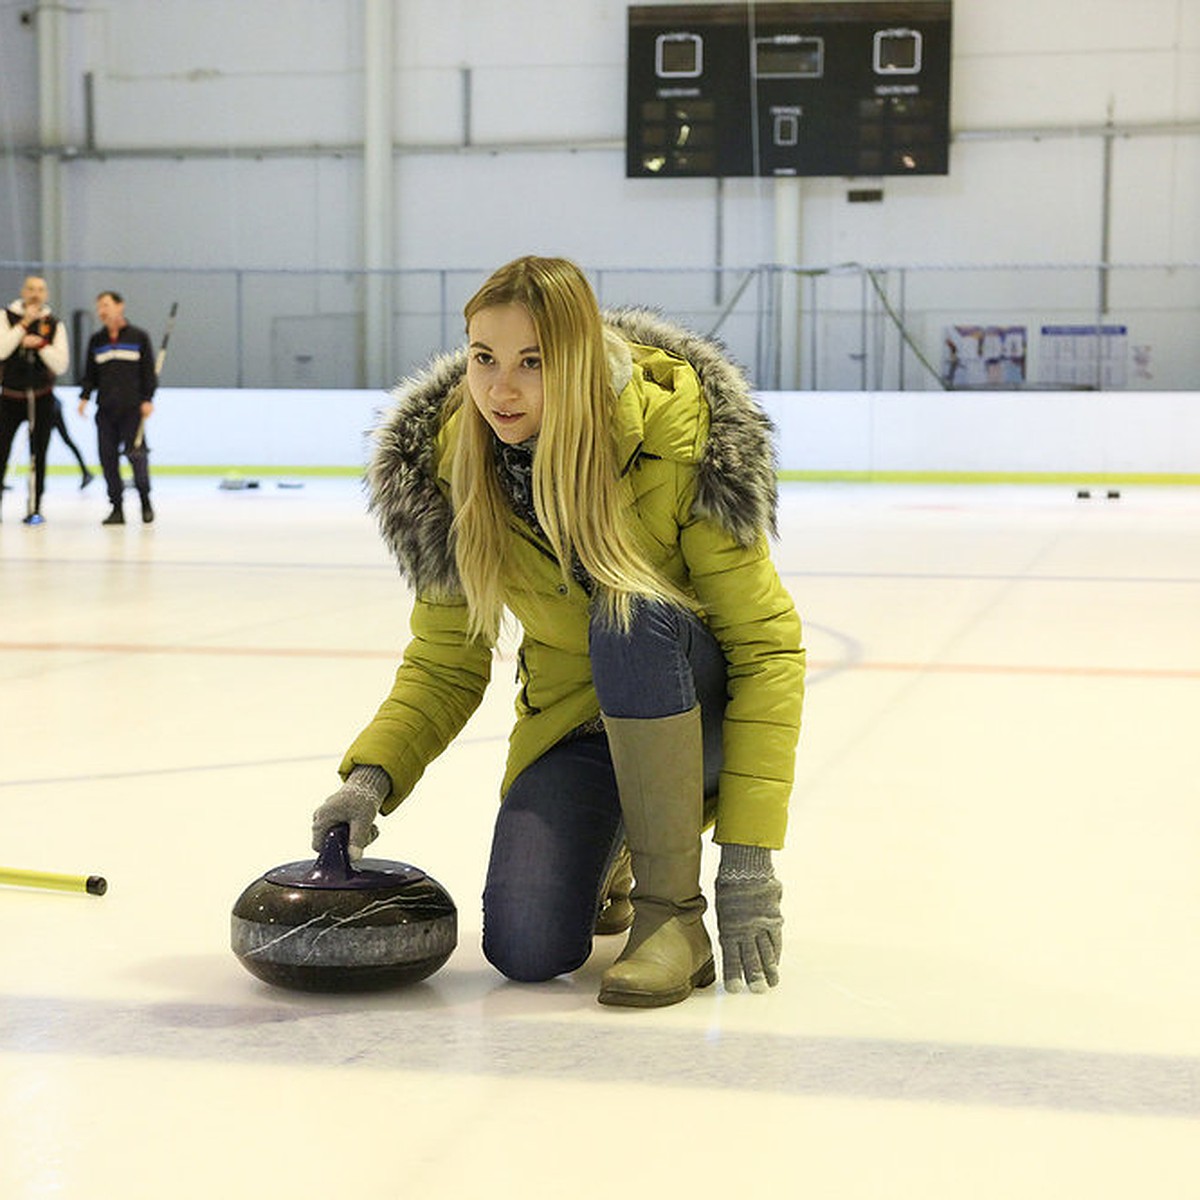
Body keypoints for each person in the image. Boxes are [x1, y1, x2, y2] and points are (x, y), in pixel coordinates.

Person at [311, 256, 805, 1007]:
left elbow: (767, 649)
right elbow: (448, 661)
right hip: (578, 725)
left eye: (531, 363)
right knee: (527, 947)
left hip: (699, 713)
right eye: (484, 359)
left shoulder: (677, 437)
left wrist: (747, 859)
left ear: (576, 362)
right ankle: (616, 854)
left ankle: (672, 916)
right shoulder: (456, 462)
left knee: (629, 610)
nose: (499, 389)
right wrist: (370, 779)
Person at [78, 291, 158, 525]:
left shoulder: (138, 337)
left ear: (120, 306)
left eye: (106, 305)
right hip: (105, 411)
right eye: (99, 307)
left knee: (137, 458)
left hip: (132, 410)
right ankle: (116, 507)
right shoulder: (97, 341)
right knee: (108, 459)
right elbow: (90, 375)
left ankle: (145, 502)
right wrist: (84, 397)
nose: (102, 311)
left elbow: (148, 373)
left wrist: (147, 399)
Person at [0, 275, 70, 524]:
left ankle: (35, 507)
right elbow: (1, 350)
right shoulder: (6, 317)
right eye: (30, 289)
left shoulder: (54, 324)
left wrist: (40, 344)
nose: (35, 294)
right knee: (1, 452)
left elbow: (61, 364)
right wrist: (22, 327)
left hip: (41, 398)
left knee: (38, 454)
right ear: (22, 291)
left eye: (40, 289)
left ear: (46, 294)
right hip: (8, 397)